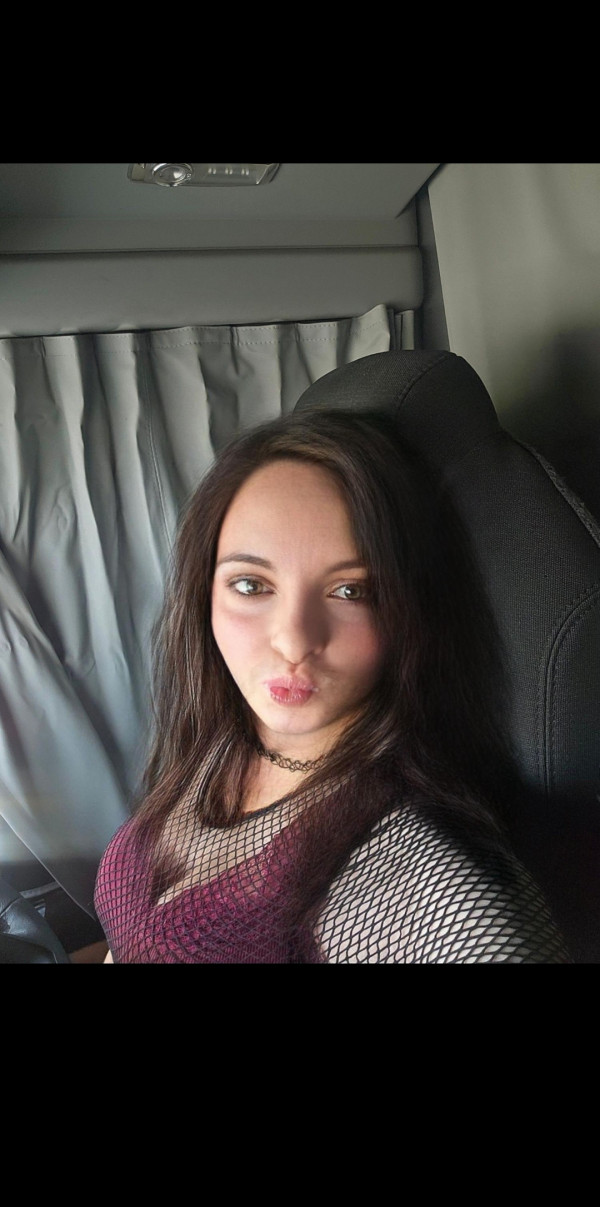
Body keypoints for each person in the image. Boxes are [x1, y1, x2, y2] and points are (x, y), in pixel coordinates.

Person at [94, 408, 569, 963]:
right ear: (203, 595)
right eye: (251, 585)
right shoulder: (219, 741)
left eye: (351, 592)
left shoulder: (425, 876)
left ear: (411, 613)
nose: (294, 641)